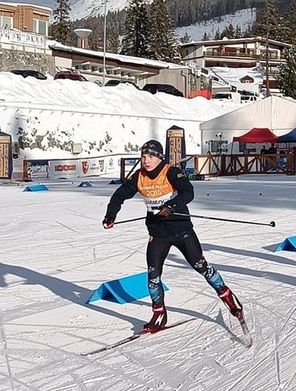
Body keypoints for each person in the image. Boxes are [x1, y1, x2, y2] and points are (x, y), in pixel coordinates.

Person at [102, 139, 244, 332]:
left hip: (181, 230)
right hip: (158, 234)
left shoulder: (171, 172)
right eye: (143, 156)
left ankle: (226, 294)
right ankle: (159, 313)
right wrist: (111, 215)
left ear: (159, 157)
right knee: (153, 276)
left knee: (201, 266)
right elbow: (119, 195)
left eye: (150, 156)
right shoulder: (139, 177)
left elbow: (188, 192)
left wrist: (171, 206)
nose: (146, 160)